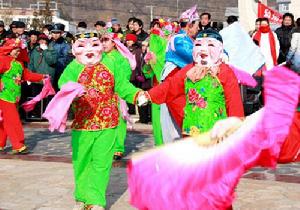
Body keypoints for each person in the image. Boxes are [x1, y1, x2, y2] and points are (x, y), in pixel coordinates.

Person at [57, 32, 144, 210]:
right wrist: (72, 89)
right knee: (81, 162)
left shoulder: (111, 63)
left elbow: (122, 85)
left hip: (108, 122)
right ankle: (81, 197)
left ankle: (95, 200)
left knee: (101, 164)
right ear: (75, 48)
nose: (89, 50)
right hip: (83, 124)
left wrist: (136, 95)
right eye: (83, 45)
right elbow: (62, 83)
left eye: (94, 44)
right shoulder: (74, 66)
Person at [146, 29, 244, 137]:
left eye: (210, 45)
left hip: (216, 133)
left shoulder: (225, 72)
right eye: (198, 45)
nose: (203, 50)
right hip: (191, 131)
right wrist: (148, 96)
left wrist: (236, 131)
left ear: (220, 49)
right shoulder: (189, 70)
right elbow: (170, 86)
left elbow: (234, 103)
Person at [0, 38, 46, 154]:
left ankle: (0, 143)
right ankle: (18, 145)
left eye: (19, 50)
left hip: (14, 96)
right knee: (13, 120)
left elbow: (27, 75)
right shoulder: (3, 60)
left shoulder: (18, 63)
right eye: (15, 49)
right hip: (4, 96)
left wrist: (42, 77)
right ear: (9, 49)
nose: (18, 52)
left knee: (6, 120)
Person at [100, 32, 137, 160]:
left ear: (114, 43)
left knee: (119, 120)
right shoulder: (99, 57)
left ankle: (118, 148)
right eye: (102, 40)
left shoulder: (120, 58)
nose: (103, 43)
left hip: (116, 94)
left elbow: (125, 77)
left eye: (106, 40)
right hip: (102, 94)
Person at [125, 33, 151, 124]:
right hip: (136, 77)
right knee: (140, 97)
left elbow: (139, 65)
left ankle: (146, 118)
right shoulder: (129, 50)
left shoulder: (139, 52)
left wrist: (140, 75)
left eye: (130, 40)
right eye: (127, 40)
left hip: (145, 79)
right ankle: (142, 117)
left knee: (145, 98)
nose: (128, 42)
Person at [49, 23, 71, 91]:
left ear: (61, 33)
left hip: (59, 71)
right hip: (50, 71)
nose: (55, 35)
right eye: (53, 32)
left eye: (57, 33)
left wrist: (53, 61)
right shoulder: (50, 43)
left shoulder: (65, 45)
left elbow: (65, 59)